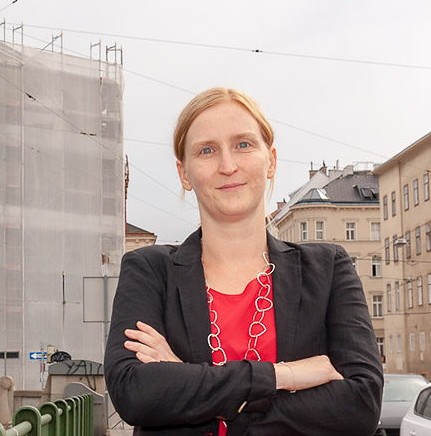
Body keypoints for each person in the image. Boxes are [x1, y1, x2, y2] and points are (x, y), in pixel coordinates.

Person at [104, 88, 383, 436]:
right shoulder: (149, 271)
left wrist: (189, 384)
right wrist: (283, 376)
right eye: (207, 150)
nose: (228, 165)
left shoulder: (327, 270)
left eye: (244, 145)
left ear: (272, 161)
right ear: (184, 173)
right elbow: (135, 393)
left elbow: (361, 405)